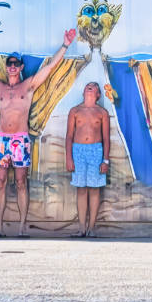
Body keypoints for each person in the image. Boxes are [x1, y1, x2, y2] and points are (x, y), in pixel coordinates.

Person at [0, 28, 77, 236]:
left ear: (21, 67)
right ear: (6, 68)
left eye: (16, 64)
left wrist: (66, 45)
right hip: (1, 140)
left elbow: (50, 68)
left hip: (20, 140)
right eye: (9, 64)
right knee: (0, 182)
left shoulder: (28, 86)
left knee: (22, 182)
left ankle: (22, 227)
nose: (12, 67)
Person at [65, 82, 111, 237]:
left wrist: (105, 160)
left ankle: (91, 228)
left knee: (94, 188)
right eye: (88, 85)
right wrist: (69, 157)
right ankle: (81, 228)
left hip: (96, 150)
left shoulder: (102, 112)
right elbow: (69, 136)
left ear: (98, 94)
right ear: (83, 91)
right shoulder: (75, 111)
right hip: (78, 150)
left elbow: (106, 138)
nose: (90, 86)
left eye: (94, 86)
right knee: (81, 189)